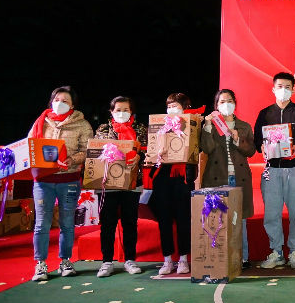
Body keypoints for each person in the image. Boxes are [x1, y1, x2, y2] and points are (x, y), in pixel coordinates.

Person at [28, 86, 93, 281]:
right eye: (57, 99)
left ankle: (65, 261)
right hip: (43, 181)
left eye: (65, 101)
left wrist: (72, 160)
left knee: (67, 223)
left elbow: (88, 149)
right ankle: (40, 264)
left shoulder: (82, 125)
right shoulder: (41, 122)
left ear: (72, 105)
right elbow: (30, 145)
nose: (60, 103)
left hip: (69, 180)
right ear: (51, 101)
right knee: (42, 223)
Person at [253, 72, 295, 270]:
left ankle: (294, 251)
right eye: (280, 86)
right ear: (273, 89)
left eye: (287, 87)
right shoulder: (265, 113)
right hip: (272, 169)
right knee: (271, 212)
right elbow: (257, 139)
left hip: (294, 169)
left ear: (293, 90)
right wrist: (261, 147)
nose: (283, 90)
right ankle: (276, 251)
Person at [200, 89, 257, 268]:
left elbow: (251, 151)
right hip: (216, 177)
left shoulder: (244, 126)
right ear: (216, 105)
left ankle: (243, 257)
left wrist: (238, 139)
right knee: (217, 219)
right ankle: (219, 257)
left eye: (229, 101)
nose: (226, 104)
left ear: (235, 103)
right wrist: (207, 126)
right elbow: (207, 148)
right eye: (222, 102)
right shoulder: (210, 125)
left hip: (239, 177)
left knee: (239, 219)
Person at [94, 96, 148, 278]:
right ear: (111, 112)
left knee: (130, 222)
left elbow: (148, 152)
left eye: (126, 110)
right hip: (108, 183)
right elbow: (95, 152)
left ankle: (130, 260)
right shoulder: (103, 129)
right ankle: (106, 261)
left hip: (132, 183)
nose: (122, 113)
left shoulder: (140, 129)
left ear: (132, 112)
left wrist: (140, 156)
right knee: (107, 223)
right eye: (118, 110)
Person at [147, 93, 200, 275]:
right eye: (169, 106)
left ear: (185, 108)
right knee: (164, 219)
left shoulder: (192, 125)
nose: (171, 110)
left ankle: (183, 259)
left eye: (175, 106)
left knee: (184, 218)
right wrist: (154, 155)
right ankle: (167, 259)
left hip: (183, 177)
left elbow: (198, 148)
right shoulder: (160, 127)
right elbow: (151, 151)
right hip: (162, 176)